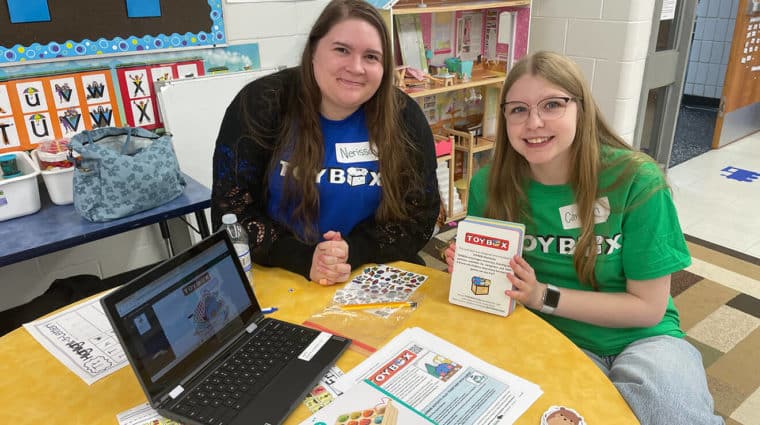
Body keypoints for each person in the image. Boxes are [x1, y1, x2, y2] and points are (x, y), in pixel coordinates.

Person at [445, 51, 723, 425]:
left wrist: (543, 295)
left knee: (672, 413)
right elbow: (493, 291)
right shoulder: (489, 185)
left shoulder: (635, 180)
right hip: (546, 336)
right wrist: (469, 266)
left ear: (581, 109)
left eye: (552, 105)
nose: (534, 122)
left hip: (643, 338)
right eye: (518, 110)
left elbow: (648, 308)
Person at [211, 0, 439, 285]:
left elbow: (420, 217)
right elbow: (231, 212)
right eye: (341, 50)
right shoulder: (260, 104)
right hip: (281, 271)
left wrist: (352, 251)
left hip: (370, 271)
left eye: (371, 57)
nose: (356, 67)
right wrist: (304, 258)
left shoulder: (405, 117)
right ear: (313, 51)